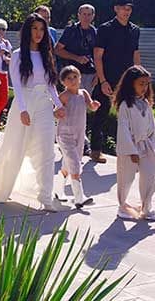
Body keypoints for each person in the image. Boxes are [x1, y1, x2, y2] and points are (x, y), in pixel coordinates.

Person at [0, 14, 66, 212]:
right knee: (15, 147)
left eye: (42, 29)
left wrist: (58, 105)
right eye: (35, 29)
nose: (38, 33)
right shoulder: (18, 54)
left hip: (44, 105)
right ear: (28, 31)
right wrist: (22, 109)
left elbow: (50, 84)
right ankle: (2, 188)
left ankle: (45, 196)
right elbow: (17, 85)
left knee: (47, 149)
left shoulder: (47, 54)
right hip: (25, 103)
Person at [91, 0, 141, 164]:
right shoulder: (105, 29)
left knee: (130, 115)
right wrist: (102, 80)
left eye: (129, 9)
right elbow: (97, 56)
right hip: (108, 78)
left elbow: (135, 53)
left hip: (127, 79)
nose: (126, 12)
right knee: (101, 114)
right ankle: (96, 150)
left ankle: (130, 151)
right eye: (123, 8)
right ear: (116, 9)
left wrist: (139, 77)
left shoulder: (135, 30)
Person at [113, 65, 155, 221]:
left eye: (146, 83)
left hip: (146, 145)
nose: (144, 87)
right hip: (130, 147)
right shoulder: (124, 106)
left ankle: (146, 208)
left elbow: (151, 130)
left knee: (151, 175)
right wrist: (131, 150)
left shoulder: (146, 104)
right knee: (126, 177)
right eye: (141, 83)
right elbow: (123, 129)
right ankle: (122, 206)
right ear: (131, 84)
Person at [55, 4, 98, 155]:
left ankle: (81, 141)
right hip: (71, 75)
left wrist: (98, 74)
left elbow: (99, 54)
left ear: (93, 16)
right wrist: (77, 58)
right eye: (84, 14)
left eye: (89, 14)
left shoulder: (94, 32)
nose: (86, 17)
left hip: (89, 74)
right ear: (78, 15)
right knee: (68, 107)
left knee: (82, 108)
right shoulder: (71, 30)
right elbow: (57, 49)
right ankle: (65, 138)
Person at [55, 66, 101, 208]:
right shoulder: (63, 96)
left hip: (80, 134)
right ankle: (79, 198)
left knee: (68, 164)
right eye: (69, 78)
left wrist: (94, 105)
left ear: (80, 78)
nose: (73, 80)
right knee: (75, 164)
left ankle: (58, 191)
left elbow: (90, 105)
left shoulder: (83, 93)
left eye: (75, 77)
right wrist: (58, 113)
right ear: (63, 82)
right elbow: (54, 111)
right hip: (64, 134)